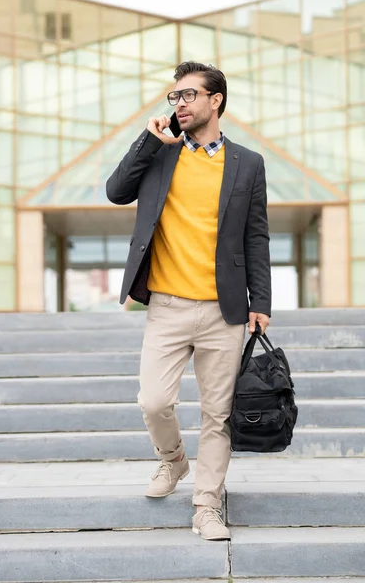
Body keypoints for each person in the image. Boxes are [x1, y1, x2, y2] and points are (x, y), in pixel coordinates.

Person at [106, 61, 271, 541]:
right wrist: (148, 141)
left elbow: (256, 237)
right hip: (168, 305)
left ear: (215, 100)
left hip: (225, 310)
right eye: (173, 97)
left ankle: (206, 508)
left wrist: (260, 300)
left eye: (188, 95)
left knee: (218, 416)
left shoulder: (249, 163)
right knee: (154, 401)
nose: (178, 103)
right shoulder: (161, 154)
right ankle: (173, 461)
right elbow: (117, 192)